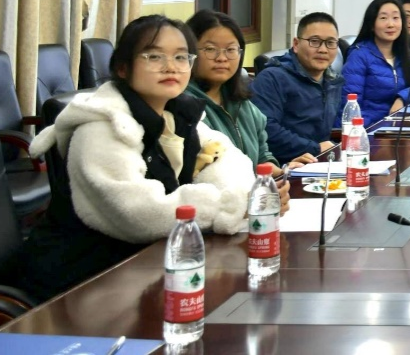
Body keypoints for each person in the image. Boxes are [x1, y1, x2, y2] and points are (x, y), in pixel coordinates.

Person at [16, 15, 260, 301]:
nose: (171, 66)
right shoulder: (101, 128)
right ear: (123, 67)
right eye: (154, 56)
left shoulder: (179, 113)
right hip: (85, 281)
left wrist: (247, 197)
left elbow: (227, 161)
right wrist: (231, 205)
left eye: (181, 57)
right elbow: (139, 213)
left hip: (150, 264)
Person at [184, 10, 307, 175]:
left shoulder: (245, 105)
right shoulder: (184, 107)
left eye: (231, 49)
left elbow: (262, 158)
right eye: (210, 49)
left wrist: (284, 172)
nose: (222, 58)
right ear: (189, 52)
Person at [250, 11, 345, 164]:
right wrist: (315, 148)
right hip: (283, 167)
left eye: (330, 43)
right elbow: (266, 130)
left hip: (319, 163)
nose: (323, 49)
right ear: (296, 44)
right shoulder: (272, 78)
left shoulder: (332, 80)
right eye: (314, 41)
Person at [343, 0, 410, 125]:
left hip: (397, 125)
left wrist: (402, 98)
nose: (391, 24)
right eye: (383, 18)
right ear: (372, 24)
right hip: (370, 128)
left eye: (395, 18)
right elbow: (351, 107)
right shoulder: (359, 56)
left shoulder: (404, 54)